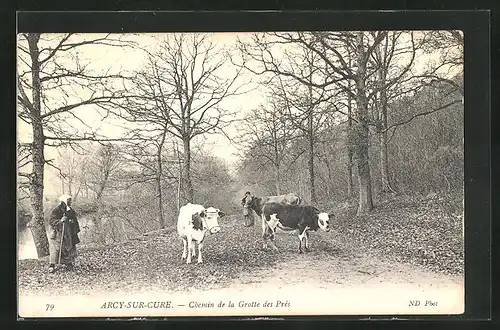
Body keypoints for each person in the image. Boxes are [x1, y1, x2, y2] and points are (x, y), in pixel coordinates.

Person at [47, 194, 81, 273]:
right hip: (58, 233)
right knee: (56, 248)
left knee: (69, 247)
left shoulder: (70, 210)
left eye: (70, 200)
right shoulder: (57, 210)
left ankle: (68, 263)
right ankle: (52, 265)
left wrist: (72, 222)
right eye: (69, 200)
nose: (71, 201)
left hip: (68, 233)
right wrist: (60, 221)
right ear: (65, 201)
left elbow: (74, 219)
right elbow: (51, 220)